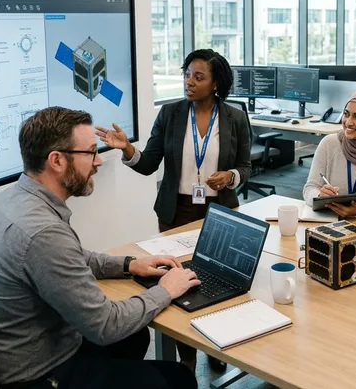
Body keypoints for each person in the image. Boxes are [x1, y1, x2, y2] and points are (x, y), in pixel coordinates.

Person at [0, 107, 201, 389]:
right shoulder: (43, 232)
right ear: (57, 161)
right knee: (179, 380)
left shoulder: (13, 199)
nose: (98, 161)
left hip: (13, 353)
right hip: (35, 375)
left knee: (135, 337)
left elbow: (69, 258)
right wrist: (166, 290)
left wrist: (128, 265)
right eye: (90, 152)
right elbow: (105, 326)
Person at [96, 48, 250, 372]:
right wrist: (127, 149)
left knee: (217, 280)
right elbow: (149, 163)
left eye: (198, 77)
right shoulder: (171, 114)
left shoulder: (235, 117)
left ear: (216, 83)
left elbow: (245, 166)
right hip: (176, 212)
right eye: (186, 75)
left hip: (219, 212)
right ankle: (187, 358)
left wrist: (231, 176)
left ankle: (216, 347)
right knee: (179, 285)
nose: (189, 82)